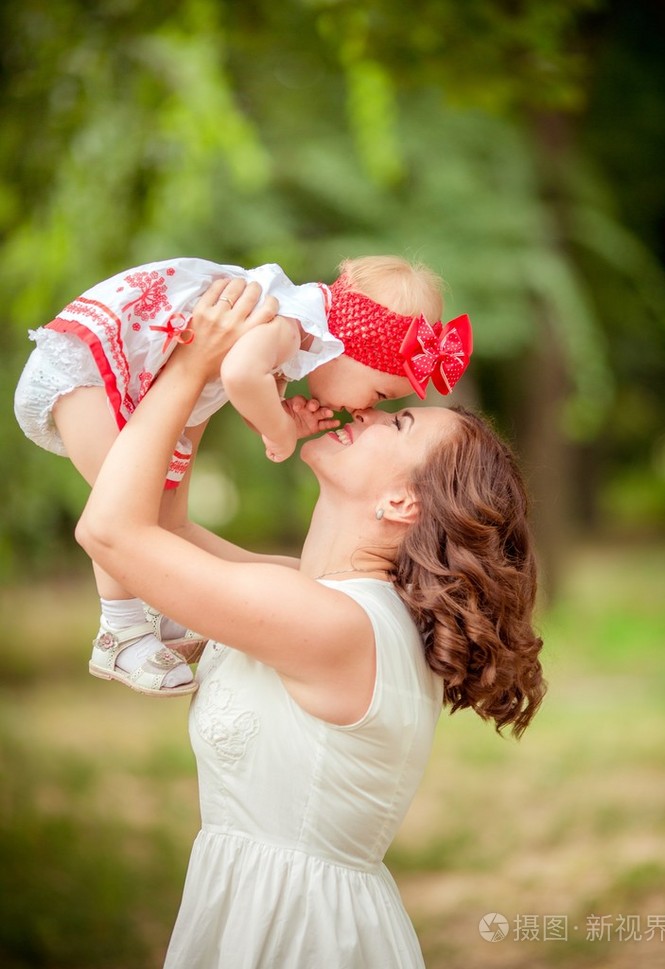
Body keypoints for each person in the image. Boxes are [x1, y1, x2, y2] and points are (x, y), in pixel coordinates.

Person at [75, 279, 545, 969]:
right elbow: (165, 527)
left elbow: (112, 532)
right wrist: (211, 379)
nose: (370, 412)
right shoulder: (318, 596)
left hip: (298, 934)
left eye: (399, 423)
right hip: (258, 907)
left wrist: (188, 365)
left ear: (401, 502)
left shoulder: (333, 625)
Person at [14, 255, 472, 697]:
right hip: (87, 373)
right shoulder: (289, 326)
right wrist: (280, 432)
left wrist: (275, 419)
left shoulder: (295, 327)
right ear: (355, 348)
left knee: (147, 505)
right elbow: (237, 374)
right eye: (380, 394)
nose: (366, 410)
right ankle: (121, 631)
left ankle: (156, 607)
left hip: (123, 372)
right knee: (130, 503)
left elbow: (246, 382)